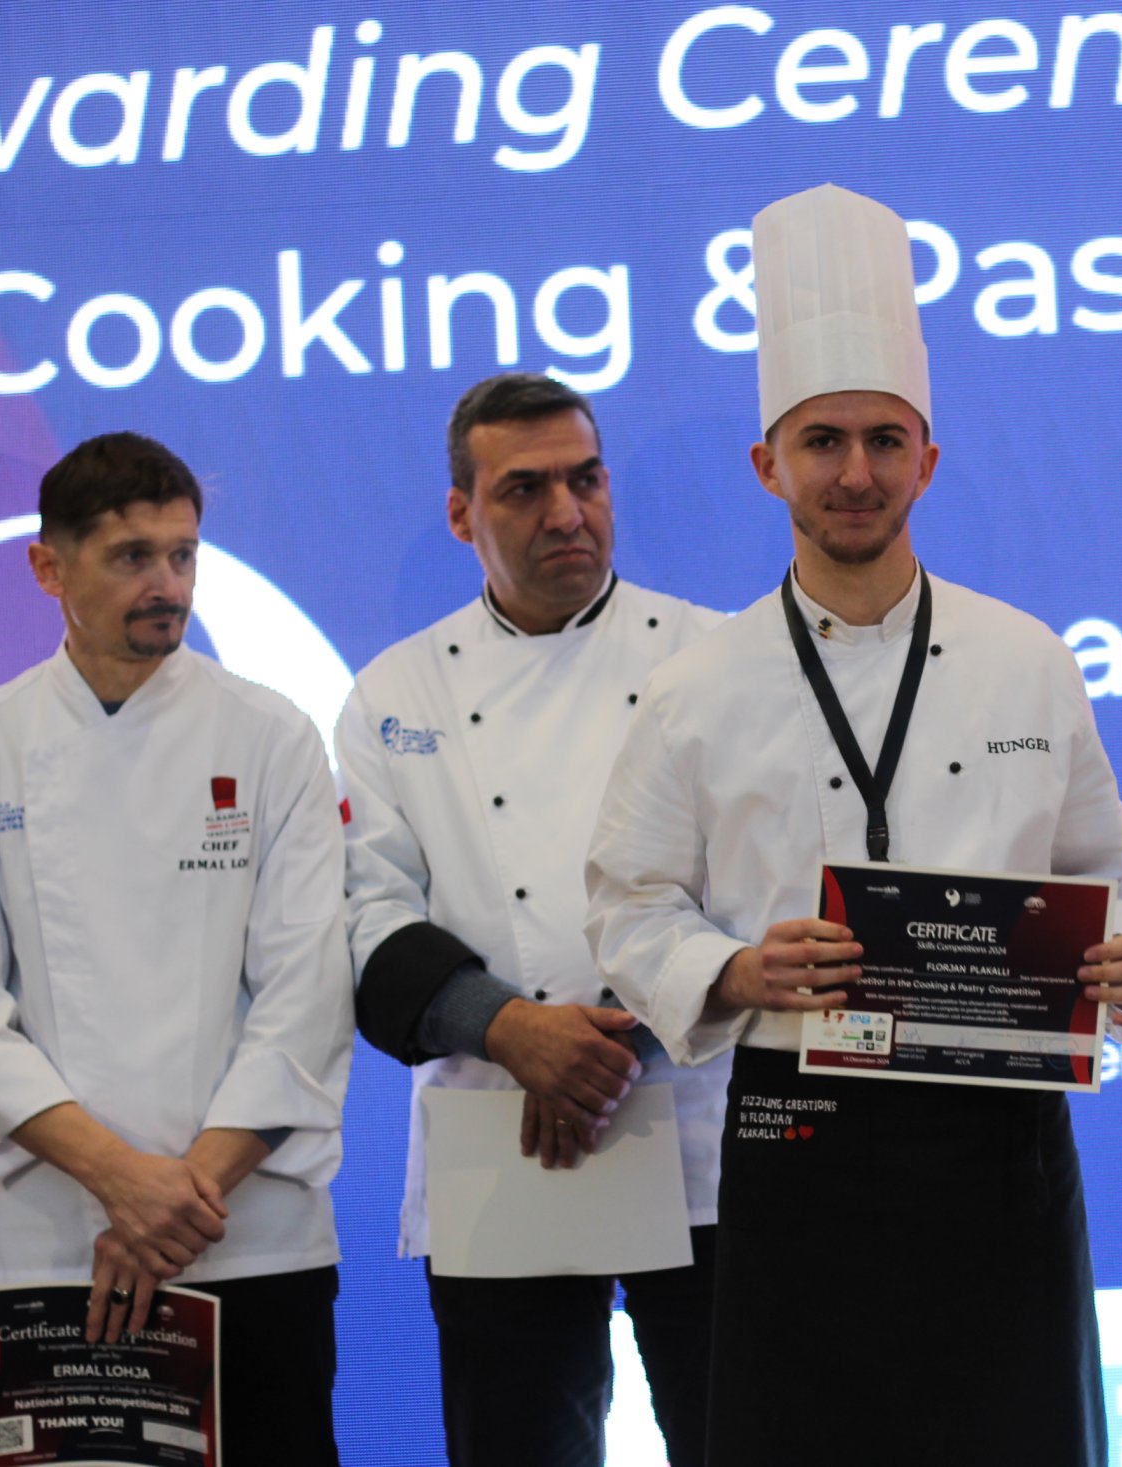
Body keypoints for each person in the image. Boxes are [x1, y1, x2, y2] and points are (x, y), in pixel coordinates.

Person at [583, 183, 1122, 1467]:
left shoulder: (1028, 660)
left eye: (884, 441)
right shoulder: (696, 687)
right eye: (824, 441)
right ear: (768, 464)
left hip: (999, 1133)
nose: (855, 473)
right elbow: (628, 905)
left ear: (928, 461)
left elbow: (1100, 872)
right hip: (798, 1128)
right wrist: (738, 969)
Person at [337, 373, 728, 1467]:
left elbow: (762, 891)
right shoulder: (394, 696)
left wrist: (601, 1049)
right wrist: (516, 1030)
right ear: (461, 514)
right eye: (524, 490)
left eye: (585, 480)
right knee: (518, 1446)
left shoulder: (715, 661)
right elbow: (367, 917)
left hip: (693, 1120)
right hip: (497, 1125)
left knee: (734, 1433)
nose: (566, 513)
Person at [0, 432, 353, 1463]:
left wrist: (171, 1200)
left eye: (182, 555)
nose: (167, 585)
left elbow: (307, 992)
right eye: (133, 556)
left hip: (252, 1240)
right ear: (49, 567)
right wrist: (121, 1183)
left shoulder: (272, 736)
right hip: (58, 1246)